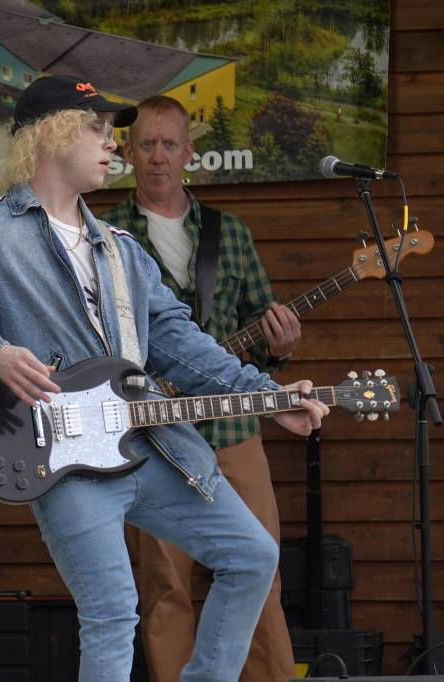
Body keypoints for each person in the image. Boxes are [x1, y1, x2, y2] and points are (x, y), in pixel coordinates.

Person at [0, 75, 327, 682]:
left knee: (252, 554)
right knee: (112, 613)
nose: (114, 142)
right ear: (52, 135)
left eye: (113, 130)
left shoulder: (122, 248)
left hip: (148, 446)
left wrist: (266, 396)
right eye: (98, 127)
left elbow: (184, 347)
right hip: (64, 462)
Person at [102, 95, 300, 682]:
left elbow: (260, 334)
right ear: (128, 154)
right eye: (147, 145)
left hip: (234, 428)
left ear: (189, 153)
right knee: (167, 584)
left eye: (169, 144)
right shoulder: (107, 236)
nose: (159, 157)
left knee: (258, 570)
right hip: (155, 434)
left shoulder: (229, 234)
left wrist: (282, 348)